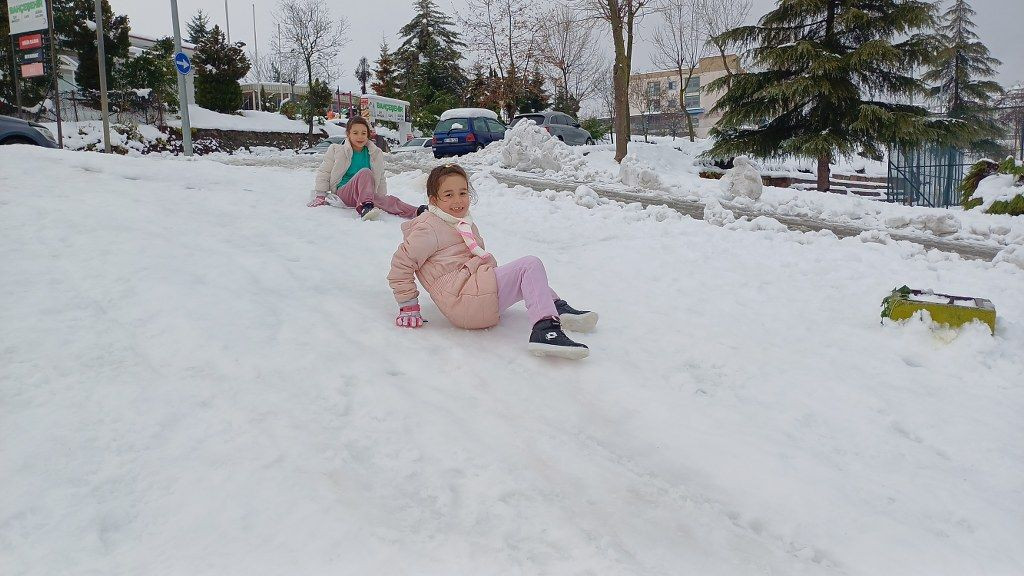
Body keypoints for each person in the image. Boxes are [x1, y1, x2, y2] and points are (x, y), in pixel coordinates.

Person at [388, 163, 598, 359]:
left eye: (463, 193)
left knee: (527, 277)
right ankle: (546, 331)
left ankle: (554, 307)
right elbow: (401, 265)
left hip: (472, 293)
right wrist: (408, 306)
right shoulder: (429, 228)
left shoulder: (459, 222)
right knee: (529, 265)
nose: (458, 200)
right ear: (433, 200)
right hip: (462, 299)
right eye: (448, 195)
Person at [308, 116, 422, 220]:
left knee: (390, 201)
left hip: (365, 194)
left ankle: (418, 211)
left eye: (363, 133)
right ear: (348, 134)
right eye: (355, 133)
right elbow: (324, 172)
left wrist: (381, 198)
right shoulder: (336, 150)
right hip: (344, 193)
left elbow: (380, 177)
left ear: (368, 135)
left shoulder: (375, 153)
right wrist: (320, 195)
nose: (360, 137)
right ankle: (365, 207)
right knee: (365, 172)